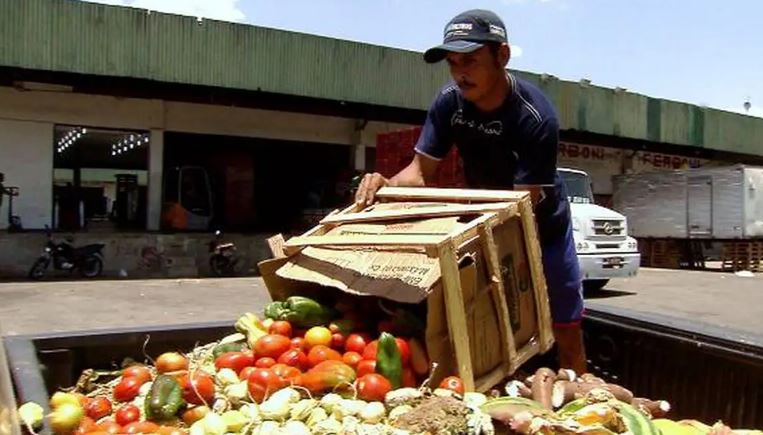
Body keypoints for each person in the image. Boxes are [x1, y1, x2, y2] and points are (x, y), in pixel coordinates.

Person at [355, 9, 586, 374]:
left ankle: (581, 387)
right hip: (484, 218)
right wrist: (386, 185)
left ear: (502, 56)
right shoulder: (450, 102)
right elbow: (419, 172)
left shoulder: (536, 116)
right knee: (485, 320)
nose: (460, 73)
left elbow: (524, 200)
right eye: (452, 63)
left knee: (564, 321)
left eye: (471, 61)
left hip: (541, 224)